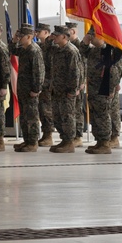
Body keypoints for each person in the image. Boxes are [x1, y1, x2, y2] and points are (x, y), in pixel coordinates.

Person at [78, 28, 116, 155]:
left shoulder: (109, 50)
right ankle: (99, 141)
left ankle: (105, 143)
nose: (91, 38)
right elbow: (82, 52)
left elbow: (115, 72)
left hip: (103, 88)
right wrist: (85, 41)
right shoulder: (94, 50)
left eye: (93, 36)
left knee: (103, 115)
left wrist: (110, 88)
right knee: (95, 116)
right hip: (93, 88)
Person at [11, 24, 45, 152]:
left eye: (22, 36)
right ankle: (27, 140)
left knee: (31, 116)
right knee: (24, 117)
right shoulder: (24, 49)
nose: (19, 38)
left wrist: (36, 89)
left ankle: (33, 142)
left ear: (29, 37)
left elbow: (39, 72)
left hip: (31, 90)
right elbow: (12, 50)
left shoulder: (34, 51)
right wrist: (14, 39)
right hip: (23, 89)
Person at [49, 25, 82, 153]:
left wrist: (72, 90)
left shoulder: (71, 51)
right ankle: (64, 140)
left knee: (68, 116)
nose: (54, 37)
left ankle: (69, 142)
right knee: (57, 116)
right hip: (57, 90)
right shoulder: (58, 49)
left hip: (66, 91)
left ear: (64, 36)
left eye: (56, 35)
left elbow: (75, 73)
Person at [65, 21, 87, 145]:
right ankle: (71, 135)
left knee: (77, 109)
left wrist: (81, 82)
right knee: (70, 110)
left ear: (73, 31)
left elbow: (83, 65)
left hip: (78, 82)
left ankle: (78, 136)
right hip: (70, 81)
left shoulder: (79, 45)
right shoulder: (68, 45)